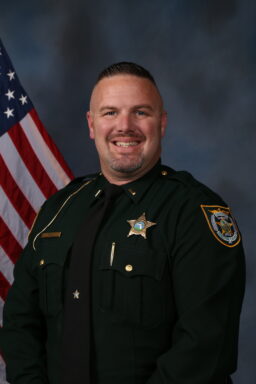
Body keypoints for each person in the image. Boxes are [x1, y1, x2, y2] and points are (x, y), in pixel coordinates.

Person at [0, 62, 245, 384]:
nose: (124, 126)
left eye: (140, 112)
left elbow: (205, 345)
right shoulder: (59, 208)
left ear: (162, 123)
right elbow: (21, 322)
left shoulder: (195, 211)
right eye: (110, 112)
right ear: (92, 124)